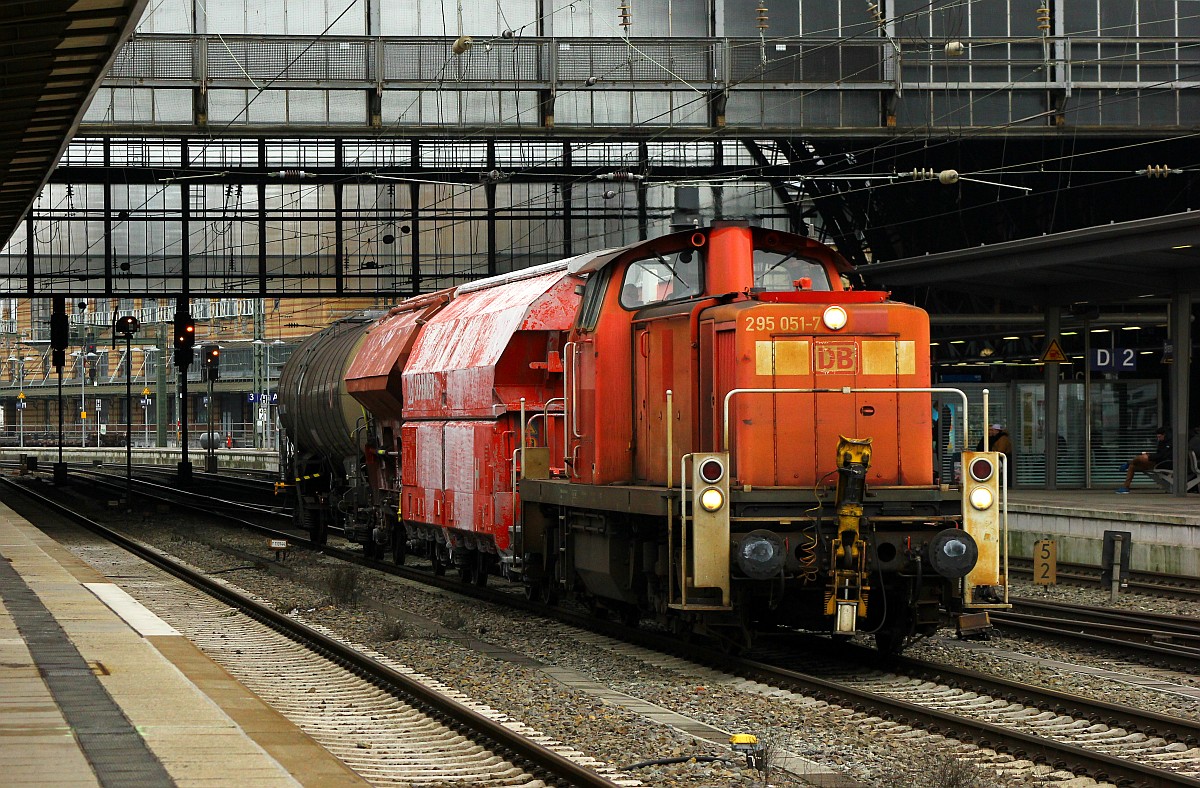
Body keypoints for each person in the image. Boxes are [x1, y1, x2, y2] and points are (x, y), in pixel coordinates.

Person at [1116, 426, 1172, 494]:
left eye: (1159, 437)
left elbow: (1162, 455)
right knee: (1132, 466)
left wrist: (1149, 456)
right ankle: (1125, 487)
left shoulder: (1170, 443)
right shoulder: (1161, 442)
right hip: (1156, 461)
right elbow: (1159, 454)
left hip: (1163, 463)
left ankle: (1128, 463)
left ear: (1164, 435)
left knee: (1142, 458)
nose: (1158, 438)